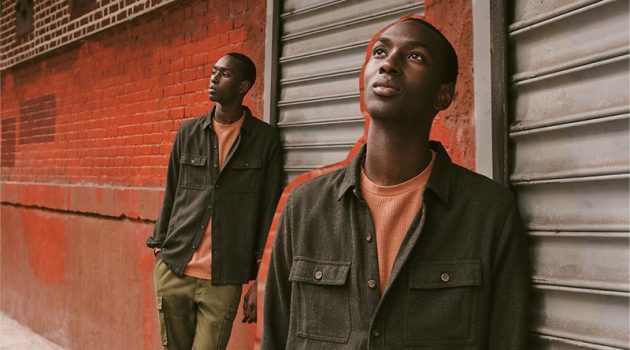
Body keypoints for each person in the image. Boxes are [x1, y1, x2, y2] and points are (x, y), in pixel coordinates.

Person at [263, 16, 529, 349]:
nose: (389, 63)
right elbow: (276, 334)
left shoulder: (488, 212)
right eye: (379, 52)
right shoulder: (305, 207)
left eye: (415, 56)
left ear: (443, 95)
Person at [147, 52, 283, 350]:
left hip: (224, 278)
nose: (213, 78)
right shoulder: (188, 133)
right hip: (175, 267)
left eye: (224, 74)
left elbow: (268, 211)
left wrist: (260, 281)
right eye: (213, 71)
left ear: (243, 86)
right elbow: (171, 192)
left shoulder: (264, 139)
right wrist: (159, 249)